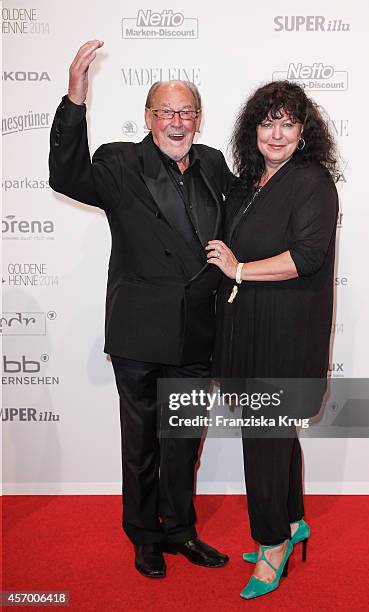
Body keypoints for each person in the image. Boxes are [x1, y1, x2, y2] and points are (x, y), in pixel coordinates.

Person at [49, 40, 233, 579]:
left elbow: (243, 215)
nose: (177, 122)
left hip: (197, 331)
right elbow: (66, 175)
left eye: (186, 112)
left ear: (198, 119)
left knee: (183, 444)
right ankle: (144, 535)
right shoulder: (119, 161)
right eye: (166, 112)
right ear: (149, 117)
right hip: (139, 332)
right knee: (143, 444)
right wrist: (75, 99)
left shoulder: (214, 164)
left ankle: (180, 530)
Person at [206, 80, 339, 599]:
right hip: (249, 330)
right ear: (253, 130)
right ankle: (294, 520)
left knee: (263, 444)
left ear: (304, 131)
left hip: (284, 336)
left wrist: (239, 269)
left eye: (288, 123)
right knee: (274, 438)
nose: (277, 133)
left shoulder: (311, 182)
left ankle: (272, 546)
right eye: (267, 123)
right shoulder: (253, 182)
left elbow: (305, 258)